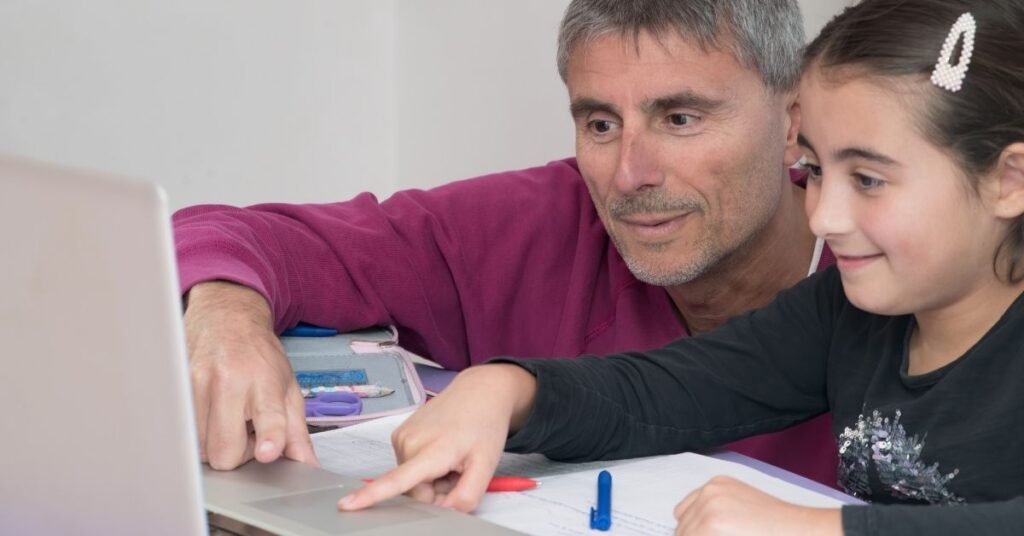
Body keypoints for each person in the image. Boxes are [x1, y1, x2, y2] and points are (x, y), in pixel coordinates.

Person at [338, 0, 1024, 533]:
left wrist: (819, 529)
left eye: (869, 180)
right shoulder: (845, 312)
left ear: (1009, 181)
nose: (824, 217)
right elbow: (672, 392)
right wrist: (511, 390)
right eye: (815, 171)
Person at [174, 0, 839, 486]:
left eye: (681, 118)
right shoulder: (537, 223)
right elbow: (237, 236)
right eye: (601, 123)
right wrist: (226, 318)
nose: (630, 175)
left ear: (793, 125)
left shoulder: (885, 274)